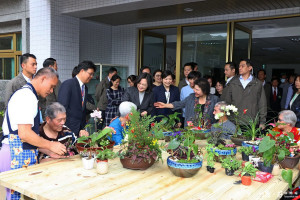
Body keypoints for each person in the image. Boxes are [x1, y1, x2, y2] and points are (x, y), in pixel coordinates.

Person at [0, 67, 66, 200]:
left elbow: (25, 137)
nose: (51, 91)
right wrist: (51, 145)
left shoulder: (29, 95)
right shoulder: (26, 96)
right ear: (43, 79)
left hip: (19, 152)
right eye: (51, 86)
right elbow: (24, 134)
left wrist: (47, 151)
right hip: (13, 154)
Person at [155, 78, 219, 128]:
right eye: (194, 88)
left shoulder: (214, 99)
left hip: (209, 131)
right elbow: (179, 104)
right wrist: (165, 105)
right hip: (191, 130)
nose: (194, 91)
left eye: (197, 90)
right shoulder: (191, 97)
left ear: (204, 90)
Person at [223, 59, 267, 128]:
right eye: (239, 66)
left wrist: (262, 121)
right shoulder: (233, 83)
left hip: (251, 122)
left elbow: (262, 103)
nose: (240, 68)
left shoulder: (257, 83)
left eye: (242, 66)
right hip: (234, 121)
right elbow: (227, 102)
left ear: (249, 68)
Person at [58, 61, 95, 137]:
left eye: (93, 74)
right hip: (68, 129)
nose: (92, 76)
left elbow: (82, 110)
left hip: (80, 131)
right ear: (82, 71)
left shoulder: (85, 88)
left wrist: (82, 128)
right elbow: (62, 109)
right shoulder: (68, 84)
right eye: (90, 74)